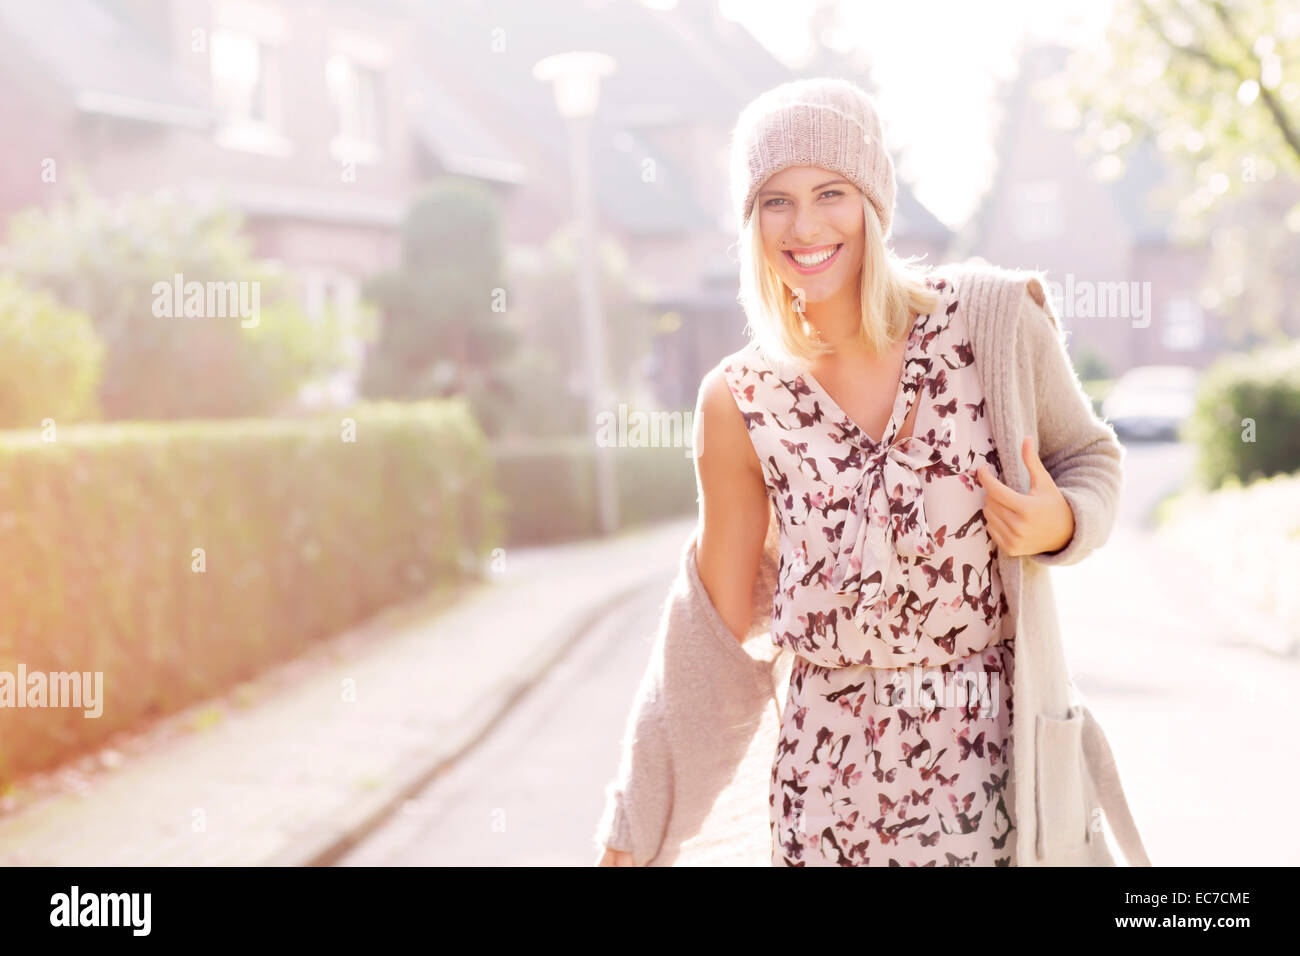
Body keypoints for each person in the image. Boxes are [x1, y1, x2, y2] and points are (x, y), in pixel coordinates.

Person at [597, 77, 1124, 867]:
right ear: (750, 221)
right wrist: (627, 843)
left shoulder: (990, 323)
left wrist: (1063, 524)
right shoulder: (740, 399)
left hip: (987, 782)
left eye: (829, 192)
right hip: (825, 805)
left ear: (873, 201)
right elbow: (707, 638)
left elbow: (1091, 459)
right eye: (774, 200)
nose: (803, 225)